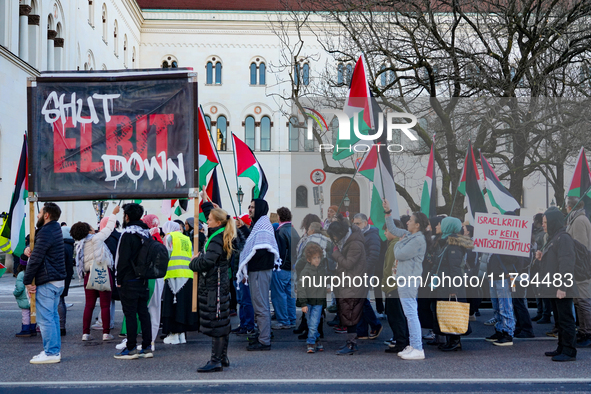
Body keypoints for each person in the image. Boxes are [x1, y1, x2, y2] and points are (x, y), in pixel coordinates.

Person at [190, 208, 236, 372]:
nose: (207, 222)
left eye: (209, 219)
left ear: (218, 222)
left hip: (214, 285)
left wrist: (194, 262)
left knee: (217, 321)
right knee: (221, 320)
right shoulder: (221, 234)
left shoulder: (216, 238)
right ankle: (222, 357)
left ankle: (216, 360)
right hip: (219, 284)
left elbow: (208, 261)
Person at [383, 199, 429, 360]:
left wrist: (397, 244)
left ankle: (417, 347)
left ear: (417, 225)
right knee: (409, 313)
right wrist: (388, 213)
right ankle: (413, 344)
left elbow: (399, 254)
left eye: (410, 220)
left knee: (411, 314)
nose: (408, 222)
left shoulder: (417, 240)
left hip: (409, 280)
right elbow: (393, 229)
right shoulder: (409, 235)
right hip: (404, 279)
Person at [23, 202, 66, 364]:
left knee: (46, 319)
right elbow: (39, 252)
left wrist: (27, 281)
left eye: (40, 213)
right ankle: (53, 350)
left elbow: (36, 259)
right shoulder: (54, 229)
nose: (38, 216)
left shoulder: (46, 231)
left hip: (47, 281)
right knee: (52, 317)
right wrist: (29, 248)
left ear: (46, 215)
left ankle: (51, 352)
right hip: (57, 280)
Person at [236, 199, 281, 351]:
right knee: (259, 305)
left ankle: (264, 340)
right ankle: (262, 334)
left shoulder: (263, 225)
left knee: (261, 306)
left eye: (252, 207)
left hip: (260, 271)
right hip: (258, 271)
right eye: (249, 206)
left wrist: (247, 263)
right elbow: (253, 243)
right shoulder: (261, 224)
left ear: (260, 208)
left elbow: (259, 249)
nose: (249, 209)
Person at [71, 205, 120, 342]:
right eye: (92, 227)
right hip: (102, 272)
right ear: (88, 230)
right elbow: (109, 228)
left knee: (89, 305)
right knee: (105, 305)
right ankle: (106, 333)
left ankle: (85, 333)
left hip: (88, 275)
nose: (95, 228)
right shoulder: (96, 239)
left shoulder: (80, 244)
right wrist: (113, 214)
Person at [536, 208, 579, 362]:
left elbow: (567, 263)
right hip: (555, 287)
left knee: (566, 319)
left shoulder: (563, 238)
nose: (544, 225)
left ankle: (569, 351)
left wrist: (563, 286)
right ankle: (561, 347)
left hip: (561, 288)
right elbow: (554, 262)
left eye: (546, 222)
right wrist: (542, 257)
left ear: (553, 221)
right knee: (559, 320)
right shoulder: (554, 237)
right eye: (543, 222)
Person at [114, 203, 153, 360]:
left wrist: (119, 280)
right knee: (143, 312)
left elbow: (122, 260)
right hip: (143, 279)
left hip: (129, 279)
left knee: (130, 314)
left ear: (127, 217)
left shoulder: (128, 234)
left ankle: (131, 348)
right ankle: (147, 346)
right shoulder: (146, 234)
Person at [431, 217, 473, 351]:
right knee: (447, 311)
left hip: (451, 285)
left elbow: (454, 269)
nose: (439, 226)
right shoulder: (447, 242)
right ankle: (451, 340)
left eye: (442, 224)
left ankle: (455, 341)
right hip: (445, 283)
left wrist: (453, 288)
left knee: (452, 311)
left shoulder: (453, 245)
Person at [327, 215, 367, 355]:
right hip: (349, 281)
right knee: (349, 313)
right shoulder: (349, 240)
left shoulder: (354, 243)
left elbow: (349, 264)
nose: (335, 240)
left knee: (350, 314)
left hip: (352, 282)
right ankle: (351, 343)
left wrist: (336, 254)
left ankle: (352, 344)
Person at [161, 221, 200, 344]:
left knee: (172, 305)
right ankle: (182, 334)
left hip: (173, 274)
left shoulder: (170, 237)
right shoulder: (186, 239)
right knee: (183, 306)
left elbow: (165, 255)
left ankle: (173, 334)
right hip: (187, 275)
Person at [351, 213, 383, 340]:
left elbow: (373, 256)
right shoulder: (357, 235)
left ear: (365, 223)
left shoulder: (372, 235)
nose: (356, 226)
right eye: (354, 223)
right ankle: (362, 331)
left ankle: (375, 324)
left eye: (358, 223)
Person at [565, 196, 591, 348]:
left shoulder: (580, 220)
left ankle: (588, 332)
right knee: (579, 301)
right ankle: (583, 331)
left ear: (570, 207)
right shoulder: (577, 219)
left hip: (581, 268)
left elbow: (581, 248)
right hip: (579, 268)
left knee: (583, 301)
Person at [382, 220, 409, 355]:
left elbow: (390, 268)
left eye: (386, 230)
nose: (385, 233)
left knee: (396, 316)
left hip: (394, 286)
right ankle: (402, 341)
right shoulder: (399, 243)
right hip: (398, 285)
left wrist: (386, 282)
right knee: (399, 315)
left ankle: (401, 342)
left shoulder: (395, 245)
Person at [271, 207, 300, 330]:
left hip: (282, 267)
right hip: (293, 267)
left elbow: (280, 252)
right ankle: (292, 319)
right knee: (290, 294)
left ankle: (283, 320)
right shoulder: (294, 231)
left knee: (279, 295)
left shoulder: (280, 232)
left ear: (279, 217)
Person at [298, 243, 327, 353]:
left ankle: (310, 342)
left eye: (319, 257)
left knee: (314, 323)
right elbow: (301, 288)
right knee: (311, 323)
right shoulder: (305, 272)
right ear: (309, 259)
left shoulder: (322, 270)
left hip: (318, 302)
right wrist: (303, 303)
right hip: (308, 302)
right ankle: (318, 339)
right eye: (314, 258)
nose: (317, 260)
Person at [531, 213, 552, 324]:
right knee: (536, 289)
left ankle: (546, 314)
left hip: (541, 265)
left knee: (542, 290)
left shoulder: (542, 234)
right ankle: (540, 312)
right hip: (534, 265)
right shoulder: (533, 232)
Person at [60, 226, 75, 336]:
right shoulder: (70, 245)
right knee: (62, 300)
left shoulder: (62, 246)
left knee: (59, 300)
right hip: (67, 275)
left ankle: (61, 326)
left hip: (60, 275)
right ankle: (62, 325)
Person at [14, 263, 33, 337]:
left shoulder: (21, 274)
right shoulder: (34, 272)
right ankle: (33, 328)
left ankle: (25, 329)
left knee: (25, 313)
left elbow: (20, 288)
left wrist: (15, 293)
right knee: (33, 313)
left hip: (25, 297)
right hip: (33, 296)